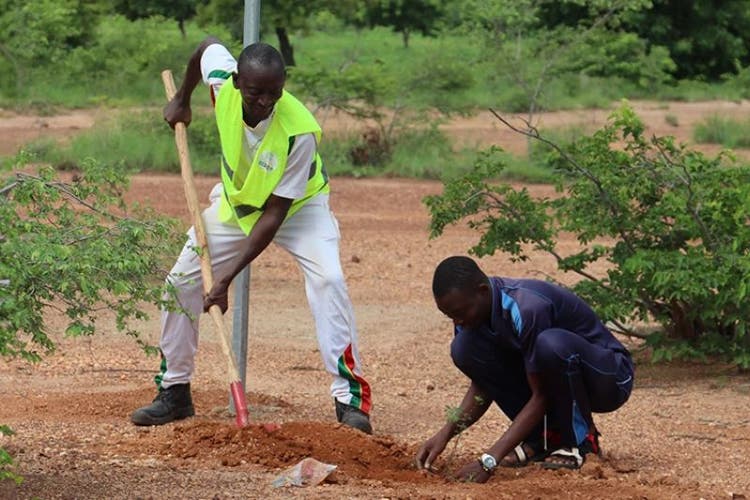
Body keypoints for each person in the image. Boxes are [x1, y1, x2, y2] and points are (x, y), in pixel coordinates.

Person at [130, 37, 372, 434]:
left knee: (329, 281)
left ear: (283, 86)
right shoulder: (223, 86)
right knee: (180, 283)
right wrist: (182, 99)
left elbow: (274, 215)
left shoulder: (300, 132)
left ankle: (350, 402)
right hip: (237, 205)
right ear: (239, 81)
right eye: (256, 92)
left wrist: (226, 278)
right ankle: (174, 391)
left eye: (273, 94)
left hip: (298, 210)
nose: (264, 103)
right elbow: (206, 46)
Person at [416, 256, 633, 481]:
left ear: (482, 290)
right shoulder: (471, 319)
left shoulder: (527, 307)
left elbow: (542, 394)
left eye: (460, 313)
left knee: (551, 346)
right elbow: (484, 386)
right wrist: (445, 434)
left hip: (609, 378)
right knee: (464, 348)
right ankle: (543, 438)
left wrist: (489, 460)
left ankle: (580, 442)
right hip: (558, 380)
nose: (457, 322)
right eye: (450, 316)